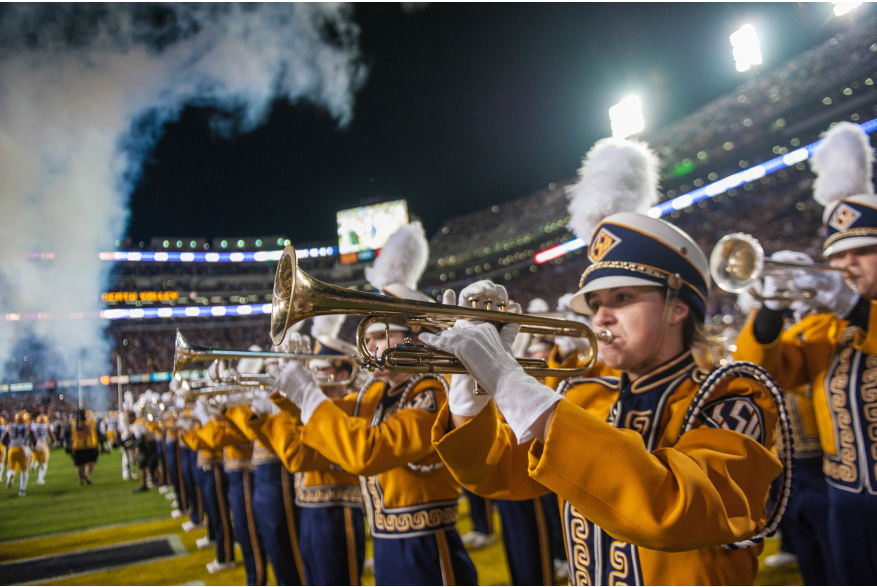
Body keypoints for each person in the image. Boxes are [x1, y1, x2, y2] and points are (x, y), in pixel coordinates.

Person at [425, 138, 786, 585]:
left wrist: (515, 386)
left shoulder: (734, 396)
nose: (601, 315)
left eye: (623, 297)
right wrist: (470, 395)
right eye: (595, 302)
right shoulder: (587, 394)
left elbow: (673, 508)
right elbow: (499, 475)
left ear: (677, 307)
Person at [272, 222, 478, 586]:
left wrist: (306, 395)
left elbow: (367, 452)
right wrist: (284, 391)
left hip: (428, 547)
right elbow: (313, 443)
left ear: (414, 338)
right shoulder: (374, 394)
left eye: (381, 336)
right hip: (386, 544)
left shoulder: (429, 392)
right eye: (367, 338)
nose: (371, 347)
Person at [733, 122, 877, 585]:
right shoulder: (820, 326)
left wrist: (855, 307)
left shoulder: (844, 312)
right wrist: (771, 310)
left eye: (860, 252)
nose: (843, 265)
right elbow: (760, 371)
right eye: (836, 257)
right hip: (844, 496)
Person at [258, 315, 367, 586]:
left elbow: (297, 457)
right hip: (308, 508)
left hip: (337, 512)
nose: (314, 376)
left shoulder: (348, 407)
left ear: (344, 374)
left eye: (320, 369)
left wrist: (284, 406)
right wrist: (270, 407)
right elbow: (279, 447)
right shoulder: (317, 412)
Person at [3, 411, 35, 496]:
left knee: (11, 469)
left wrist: (8, 446)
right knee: (24, 470)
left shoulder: (10, 425)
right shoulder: (29, 425)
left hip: (12, 449)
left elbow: (3, 440)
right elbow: (33, 437)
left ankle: (10, 475)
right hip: (23, 449)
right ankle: (21, 490)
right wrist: (34, 446)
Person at [68, 409, 99, 486]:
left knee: (79, 464)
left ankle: (80, 480)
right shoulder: (91, 422)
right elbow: (96, 432)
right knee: (91, 461)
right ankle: (86, 473)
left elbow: (68, 435)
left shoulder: (72, 423)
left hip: (77, 446)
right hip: (90, 445)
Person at [31, 413, 54, 485]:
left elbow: (31, 435)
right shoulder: (47, 425)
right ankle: (39, 479)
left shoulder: (34, 425)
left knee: (37, 459)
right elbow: (51, 435)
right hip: (43, 444)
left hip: (35, 444)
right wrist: (54, 442)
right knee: (44, 463)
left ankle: (35, 464)